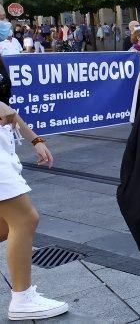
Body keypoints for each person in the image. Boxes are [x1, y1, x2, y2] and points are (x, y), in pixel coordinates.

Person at [0, 48, 68, 320]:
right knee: (25, 219)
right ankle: (22, 298)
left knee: (5, 227)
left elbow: (8, 110)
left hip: (4, 146)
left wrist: (36, 140)